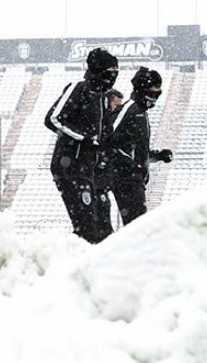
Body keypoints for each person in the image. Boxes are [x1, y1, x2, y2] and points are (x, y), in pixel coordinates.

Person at [45, 47, 119, 244]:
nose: (114, 76)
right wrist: (83, 138)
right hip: (70, 167)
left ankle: (96, 264)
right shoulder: (79, 88)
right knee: (87, 227)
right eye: (111, 72)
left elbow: (103, 135)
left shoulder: (102, 97)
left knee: (102, 227)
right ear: (99, 70)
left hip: (88, 169)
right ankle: (78, 265)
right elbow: (53, 118)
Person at [105, 67, 172, 226]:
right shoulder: (130, 109)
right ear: (142, 89)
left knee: (138, 226)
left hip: (135, 178)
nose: (155, 97)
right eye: (153, 91)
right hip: (125, 177)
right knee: (138, 227)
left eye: (158, 93)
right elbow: (106, 138)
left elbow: (134, 148)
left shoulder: (141, 112)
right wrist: (130, 166)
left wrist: (157, 156)